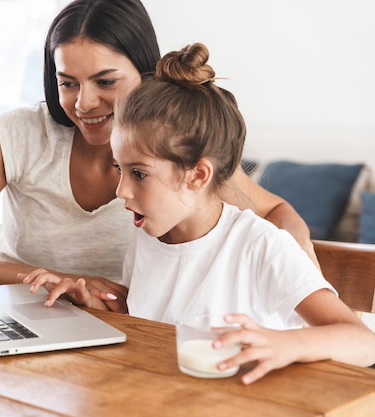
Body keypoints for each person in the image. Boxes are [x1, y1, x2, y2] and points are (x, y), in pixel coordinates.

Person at [0, 0, 315, 312]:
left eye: (105, 81)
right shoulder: (20, 133)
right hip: (18, 310)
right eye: (67, 83)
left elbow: (276, 213)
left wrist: (300, 263)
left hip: (119, 326)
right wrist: (55, 279)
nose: (84, 103)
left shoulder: (176, 149)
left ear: (145, 72)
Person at [22, 42, 375, 384]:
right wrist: (96, 303)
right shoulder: (147, 240)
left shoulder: (260, 246)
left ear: (198, 175)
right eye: (120, 169)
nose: (121, 191)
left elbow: (362, 342)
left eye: (139, 174)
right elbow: (152, 319)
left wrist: (285, 345)